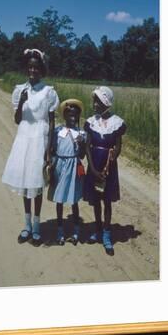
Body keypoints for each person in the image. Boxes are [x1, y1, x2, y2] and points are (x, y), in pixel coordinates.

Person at [2, 48, 59, 246]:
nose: (33, 70)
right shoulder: (20, 90)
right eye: (30, 67)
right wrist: (21, 103)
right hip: (24, 139)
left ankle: (37, 226)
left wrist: (49, 148)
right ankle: (26, 225)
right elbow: (17, 119)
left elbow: (51, 122)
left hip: (39, 140)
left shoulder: (48, 92)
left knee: (37, 184)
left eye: (36, 67)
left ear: (41, 69)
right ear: (27, 69)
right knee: (26, 184)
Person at [83, 86, 126, 255]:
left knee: (106, 200)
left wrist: (110, 162)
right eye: (94, 101)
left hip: (108, 167)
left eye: (98, 101)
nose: (94, 104)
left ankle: (107, 234)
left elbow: (118, 146)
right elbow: (87, 146)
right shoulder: (91, 122)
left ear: (106, 102)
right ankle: (98, 229)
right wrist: (93, 169)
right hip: (94, 162)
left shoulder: (117, 123)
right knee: (96, 199)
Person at [47, 99, 86, 246]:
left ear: (78, 116)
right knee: (60, 199)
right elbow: (52, 149)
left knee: (74, 199)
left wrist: (81, 144)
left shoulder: (81, 133)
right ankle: (60, 230)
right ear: (64, 115)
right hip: (60, 166)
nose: (72, 117)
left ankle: (76, 231)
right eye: (69, 114)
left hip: (74, 166)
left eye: (75, 115)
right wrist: (50, 163)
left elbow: (82, 155)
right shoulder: (58, 131)